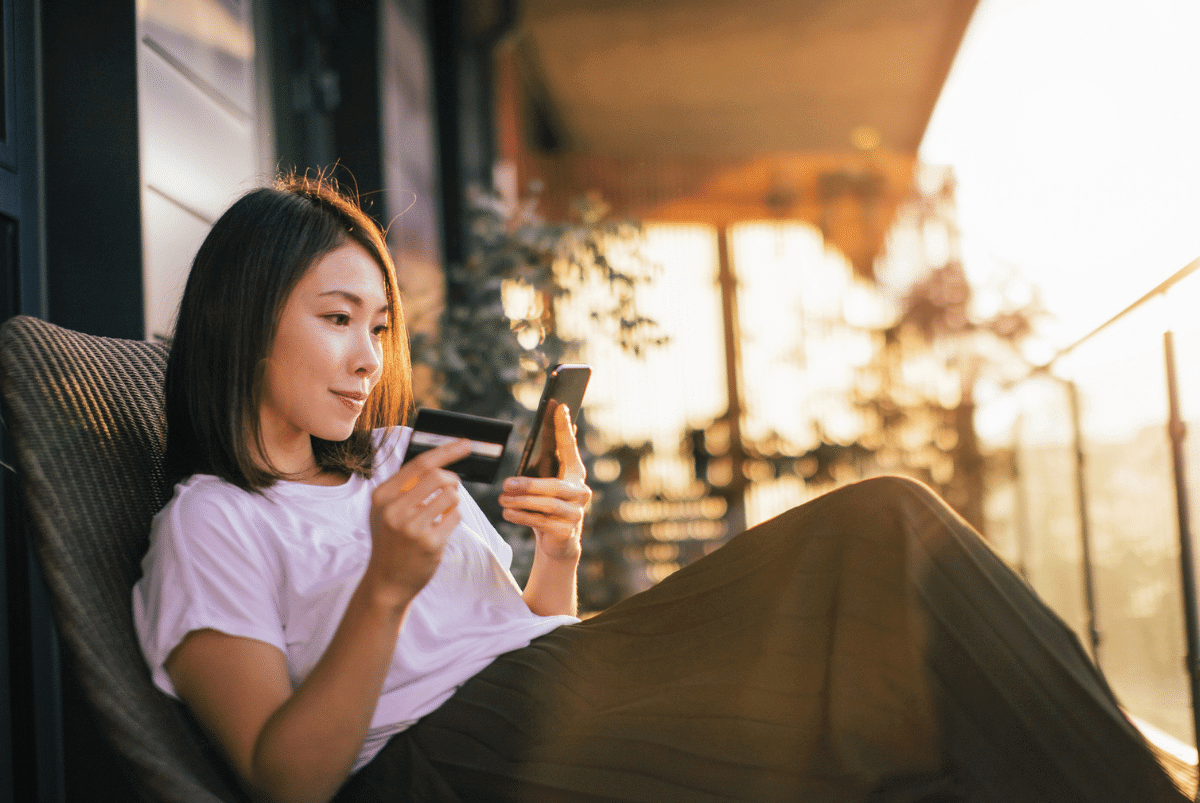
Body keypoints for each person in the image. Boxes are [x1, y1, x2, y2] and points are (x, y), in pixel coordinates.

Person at [133, 175, 1188, 803]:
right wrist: (382, 591)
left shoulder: (396, 459)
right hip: (444, 766)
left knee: (900, 651)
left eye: (378, 325)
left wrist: (557, 559)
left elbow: (520, 636)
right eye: (334, 318)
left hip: (553, 694)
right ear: (246, 317)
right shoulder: (212, 522)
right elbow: (287, 782)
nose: (369, 357)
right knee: (884, 531)